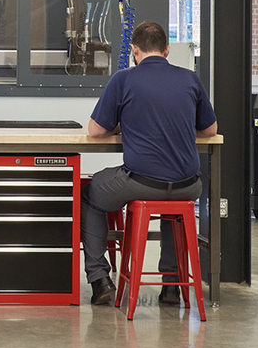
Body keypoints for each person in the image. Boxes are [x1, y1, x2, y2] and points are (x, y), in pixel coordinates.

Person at [81, 20, 218, 306]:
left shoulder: (123, 79)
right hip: (188, 186)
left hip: (141, 182)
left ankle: (99, 280)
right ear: (167, 51)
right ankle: (170, 285)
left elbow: (95, 131)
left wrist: (124, 125)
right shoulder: (189, 79)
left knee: (90, 192)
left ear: (134, 50)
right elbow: (210, 131)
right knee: (171, 209)